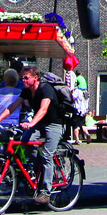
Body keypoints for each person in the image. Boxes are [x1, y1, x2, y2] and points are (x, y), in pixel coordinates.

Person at [16, 66, 75, 206]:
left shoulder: (45, 89)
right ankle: (39, 169)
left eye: (26, 78)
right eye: (22, 78)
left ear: (35, 78)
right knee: (25, 141)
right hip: (40, 123)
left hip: (55, 124)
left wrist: (31, 123)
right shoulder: (27, 91)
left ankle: (46, 193)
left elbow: (43, 109)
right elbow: (14, 105)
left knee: (47, 155)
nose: (23, 80)